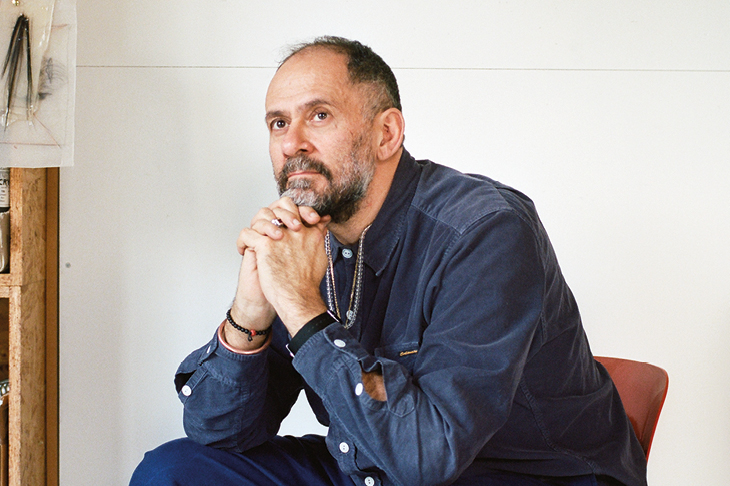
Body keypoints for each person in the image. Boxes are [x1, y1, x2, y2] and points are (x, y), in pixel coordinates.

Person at [130, 36, 647, 486]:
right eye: (278, 123)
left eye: (319, 115)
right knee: (171, 473)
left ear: (386, 134)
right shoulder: (309, 244)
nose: (292, 144)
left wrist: (302, 309)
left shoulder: (484, 231)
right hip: (377, 466)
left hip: (517, 474)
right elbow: (221, 431)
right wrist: (252, 312)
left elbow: (430, 453)